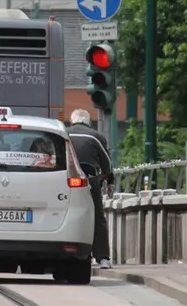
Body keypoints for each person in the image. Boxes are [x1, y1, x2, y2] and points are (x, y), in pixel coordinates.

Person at [65, 109, 113, 270]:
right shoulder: (96, 137)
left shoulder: (63, 134)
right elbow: (107, 164)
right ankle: (103, 258)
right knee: (98, 217)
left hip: (65, 182)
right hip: (90, 182)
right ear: (88, 121)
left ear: (71, 121)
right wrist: (106, 179)